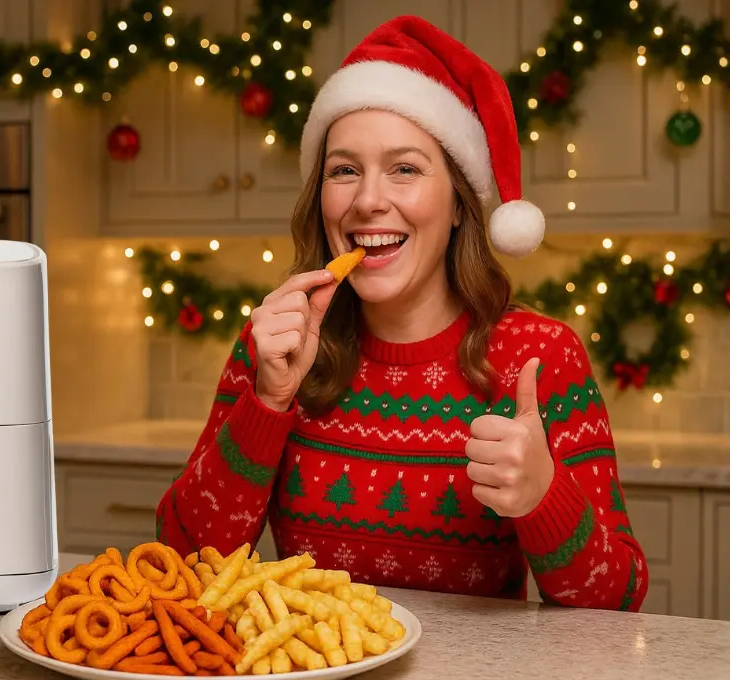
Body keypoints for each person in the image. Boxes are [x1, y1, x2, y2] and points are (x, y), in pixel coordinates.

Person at [153, 15, 648, 612]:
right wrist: (268, 401)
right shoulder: (277, 344)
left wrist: (544, 495)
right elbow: (182, 568)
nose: (367, 200)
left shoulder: (537, 355)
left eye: (405, 168)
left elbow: (618, 602)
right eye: (344, 170)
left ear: (460, 205)